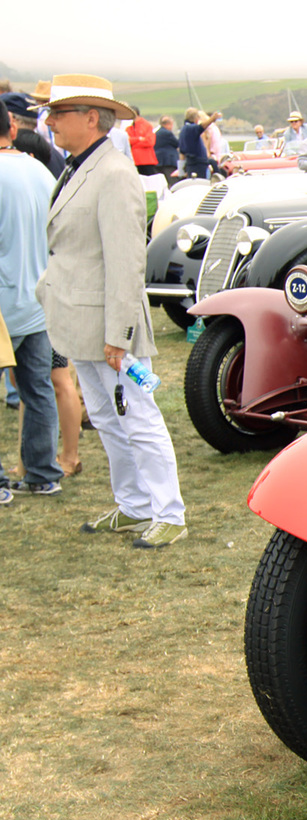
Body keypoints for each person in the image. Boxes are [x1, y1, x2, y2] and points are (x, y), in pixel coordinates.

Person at [35, 74, 186, 546]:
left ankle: (168, 512)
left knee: (137, 416)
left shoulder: (115, 174)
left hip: (107, 324)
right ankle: (135, 505)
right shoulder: (79, 166)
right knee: (105, 418)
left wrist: (118, 332)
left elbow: (126, 261)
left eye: (59, 113)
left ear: (91, 118)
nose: (50, 121)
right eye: (51, 113)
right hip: (81, 318)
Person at [0, 100, 63, 496]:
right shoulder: (39, 170)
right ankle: (42, 474)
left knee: (37, 390)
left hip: (5, 306)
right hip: (38, 299)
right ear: (10, 125)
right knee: (38, 389)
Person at [178, 107, 213, 179]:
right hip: (197, 164)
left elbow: (181, 152)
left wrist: (181, 171)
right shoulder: (191, 128)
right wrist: (213, 118)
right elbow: (202, 127)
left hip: (191, 163)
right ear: (196, 118)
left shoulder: (184, 130)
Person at [125, 105, 157, 174]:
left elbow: (150, 142)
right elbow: (127, 141)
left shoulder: (146, 125)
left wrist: (134, 144)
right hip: (135, 160)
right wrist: (139, 139)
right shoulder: (129, 127)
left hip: (147, 160)